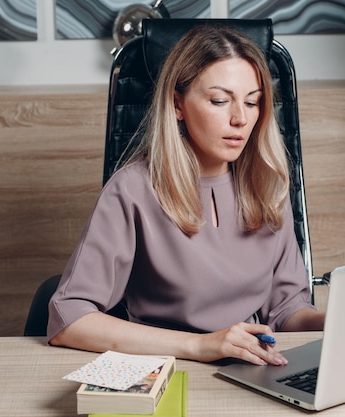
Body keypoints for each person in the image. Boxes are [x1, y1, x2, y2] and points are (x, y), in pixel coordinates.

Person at [47, 24, 325, 366]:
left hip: (252, 370)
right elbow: (69, 319)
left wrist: (332, 322)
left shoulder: (267, 185)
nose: (240, 118)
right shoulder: (132, 189)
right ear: (177, 104)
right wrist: (202, 346)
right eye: (220, 101)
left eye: (252, 102)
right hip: (167, 367)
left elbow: (286, 310)